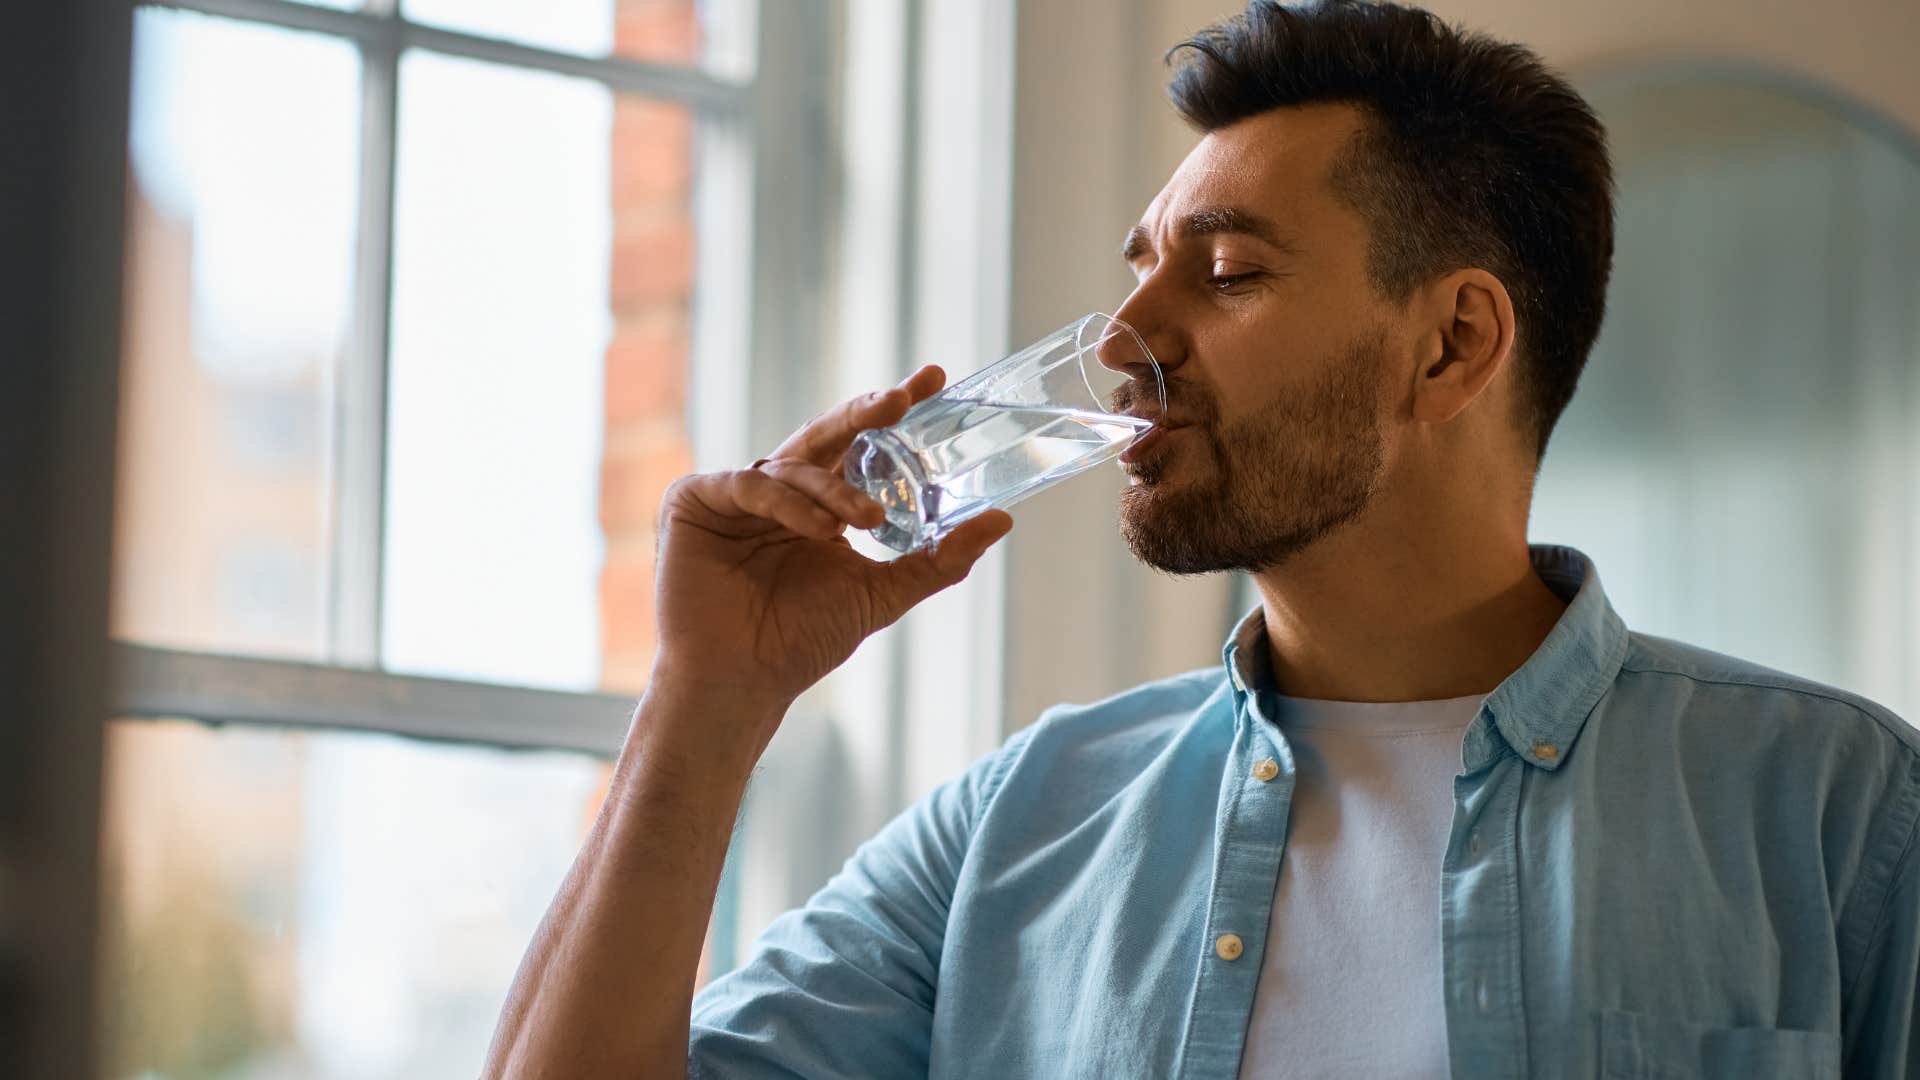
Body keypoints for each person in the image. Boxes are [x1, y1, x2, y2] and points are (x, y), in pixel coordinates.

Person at [482, 2, 1920, 1076]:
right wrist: (710, 697)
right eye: (1142, 270)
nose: (1123, 339)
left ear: (1453, 345)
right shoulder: (1020, 827)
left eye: (1227, 271)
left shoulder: (1837, 813)